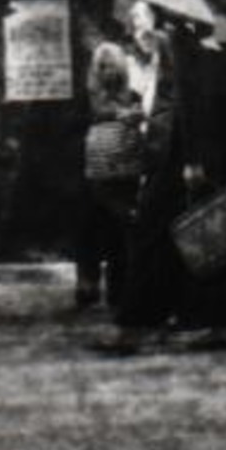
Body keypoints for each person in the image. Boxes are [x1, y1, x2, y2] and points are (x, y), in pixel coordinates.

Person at [94, 0, 226, 354]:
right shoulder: (196, 41)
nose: (135, 16)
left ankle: (137, 324)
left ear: (163, 13)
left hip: (185, 151)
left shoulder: (177, 43)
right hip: (197, 149)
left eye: (143, 10)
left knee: (159, 231)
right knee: (197, 233)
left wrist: (193, 160)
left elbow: (190, 106)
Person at [74, 39, 143, 310]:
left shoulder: (132, 94)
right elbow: (87, 117)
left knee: (119, 230)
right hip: (96, 171)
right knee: (91, 228)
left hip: (126, 169)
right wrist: (117, 114)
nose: (107, 71)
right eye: (102, 66)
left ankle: (119, 290)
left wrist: (133, 116)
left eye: (112, 65)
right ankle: (88, 284)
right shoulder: (88, 96)